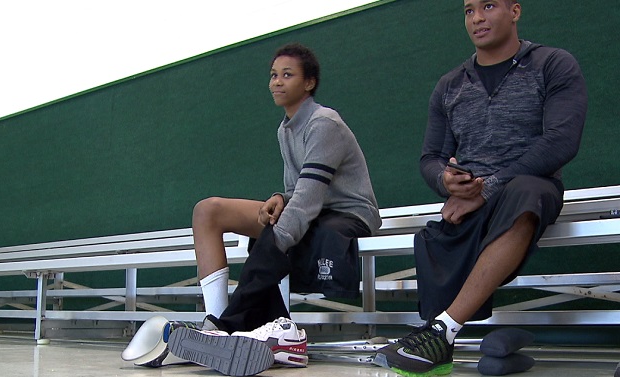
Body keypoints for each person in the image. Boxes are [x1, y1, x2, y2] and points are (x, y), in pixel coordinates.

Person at [122, 43, 381, 376]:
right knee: (208, 211)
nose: (277, 82)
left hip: (349, 214)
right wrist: (279, 199)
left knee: (275, 235)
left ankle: (225, 326)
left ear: (309, 83)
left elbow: (309, 197)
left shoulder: (324, 122)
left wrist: (279, 231)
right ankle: (217, 325)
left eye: (287, 75)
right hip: (314, 209)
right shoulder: (285, 129)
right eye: (273, 75)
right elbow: (296, 192)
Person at [373, 1, 587, 376]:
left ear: (515, 11)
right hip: (471, 198)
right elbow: (431, 157)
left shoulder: (553, 64)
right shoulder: (449, 85)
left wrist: (491, 187)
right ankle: (439, 345)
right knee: (434, 235)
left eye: (488, 5)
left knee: (525, 193)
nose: (477, 18)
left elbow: (560, 141)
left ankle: (443, 330)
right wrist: (445, 179)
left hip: (530, 188)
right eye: (469, 10)